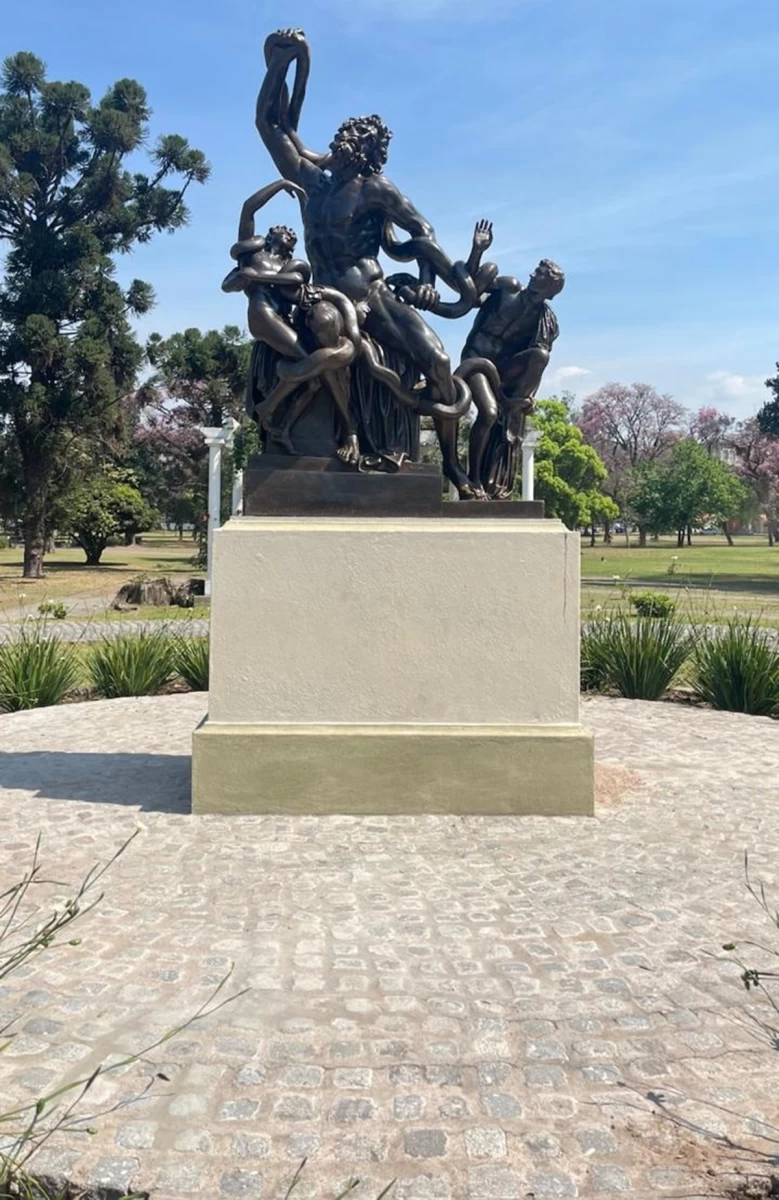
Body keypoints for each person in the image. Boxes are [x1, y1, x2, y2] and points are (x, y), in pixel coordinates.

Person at [256, 28, 477, 495]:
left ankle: (453, 471)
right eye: (339, 135)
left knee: (438, 361)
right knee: (325, 333)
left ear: (363, 150)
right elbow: (270, 126)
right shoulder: (312, 182)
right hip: (329, 296)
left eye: (348, 137)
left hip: (373, 295)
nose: (338, 141)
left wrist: (423, 279)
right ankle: (338, 434)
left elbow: (423, 231)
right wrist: (280, 63)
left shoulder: (375, 188)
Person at [461, 259, 565, 497]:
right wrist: (478, 251)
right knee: (488, 413)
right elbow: (470, 287)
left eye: (539, 274)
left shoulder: (545, 320)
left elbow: (534, 364)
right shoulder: (509, 287)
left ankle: (515, 405)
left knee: (540, 354)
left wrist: (527, 396)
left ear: (550, 286)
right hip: (475, 360)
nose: (532, 274)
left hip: (503, 369)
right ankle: (473, 479)